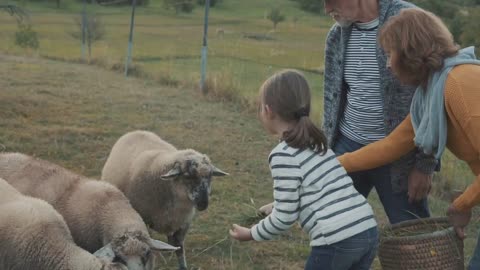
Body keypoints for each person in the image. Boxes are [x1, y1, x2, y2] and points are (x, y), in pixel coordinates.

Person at [260, 0, 437, 224]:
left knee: (412, 232)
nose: (326, 9)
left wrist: (425, 164)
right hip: (349, 144)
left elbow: (435, 95)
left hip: (400, 155)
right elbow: (332, 98)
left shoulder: (409, 20)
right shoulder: (337, 35)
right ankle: (285, 207)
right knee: (332, 221)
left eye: (330, 1)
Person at [335, 8, 480, 269]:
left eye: (390, 54)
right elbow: (391, 146)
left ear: (411, 51)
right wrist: (335, 163)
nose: (388, 64)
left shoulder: (460, 84)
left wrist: (462, 204)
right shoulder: (430, 94)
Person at [230, 69, 378, 270]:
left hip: (336, 239)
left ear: (268, 110)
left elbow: (285, 218)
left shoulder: (283, 154)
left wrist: (251, 233)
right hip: (366, 229)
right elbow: (318, 189)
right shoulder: (317, 143)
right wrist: (277, 204)